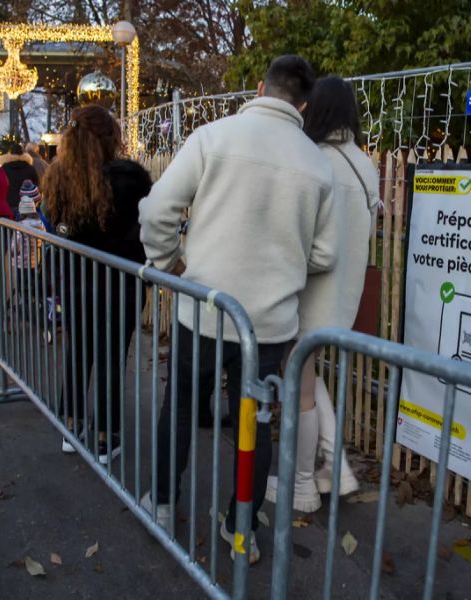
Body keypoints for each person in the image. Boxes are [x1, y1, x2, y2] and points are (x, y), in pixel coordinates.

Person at [138, 55, 337, 564]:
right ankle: (240, 525)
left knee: (180, 407)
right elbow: (324, 255)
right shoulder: (318, 166)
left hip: (202, 307)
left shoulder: (213, 136)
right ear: (304, 103)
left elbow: (158, 208)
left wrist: (169, 265)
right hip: (268, 324)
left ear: (259, 87)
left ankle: (161, 504)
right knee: (254, 422)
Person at [265, 76, 379, 512]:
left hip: (310, 293)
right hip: (343, 297)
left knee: (302, 389)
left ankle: (303, 484)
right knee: (311, 379)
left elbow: (303, 238)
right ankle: (337, 466)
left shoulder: (315, 161)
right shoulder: (363, 163)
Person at [42, 104, 153, 465]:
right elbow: (144, 228)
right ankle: (106, 435)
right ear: (111, 139)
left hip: (76, 281)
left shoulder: (58, 179)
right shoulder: (130, 181)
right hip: (120, 284)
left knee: (80, 351)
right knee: (111, 357)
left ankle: (70, 425)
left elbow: (59, 228)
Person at [0, 143, 39, 219]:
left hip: (9, 204)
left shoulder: (4, 168)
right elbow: (37, 185)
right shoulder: (30, 168)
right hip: (27, 206)